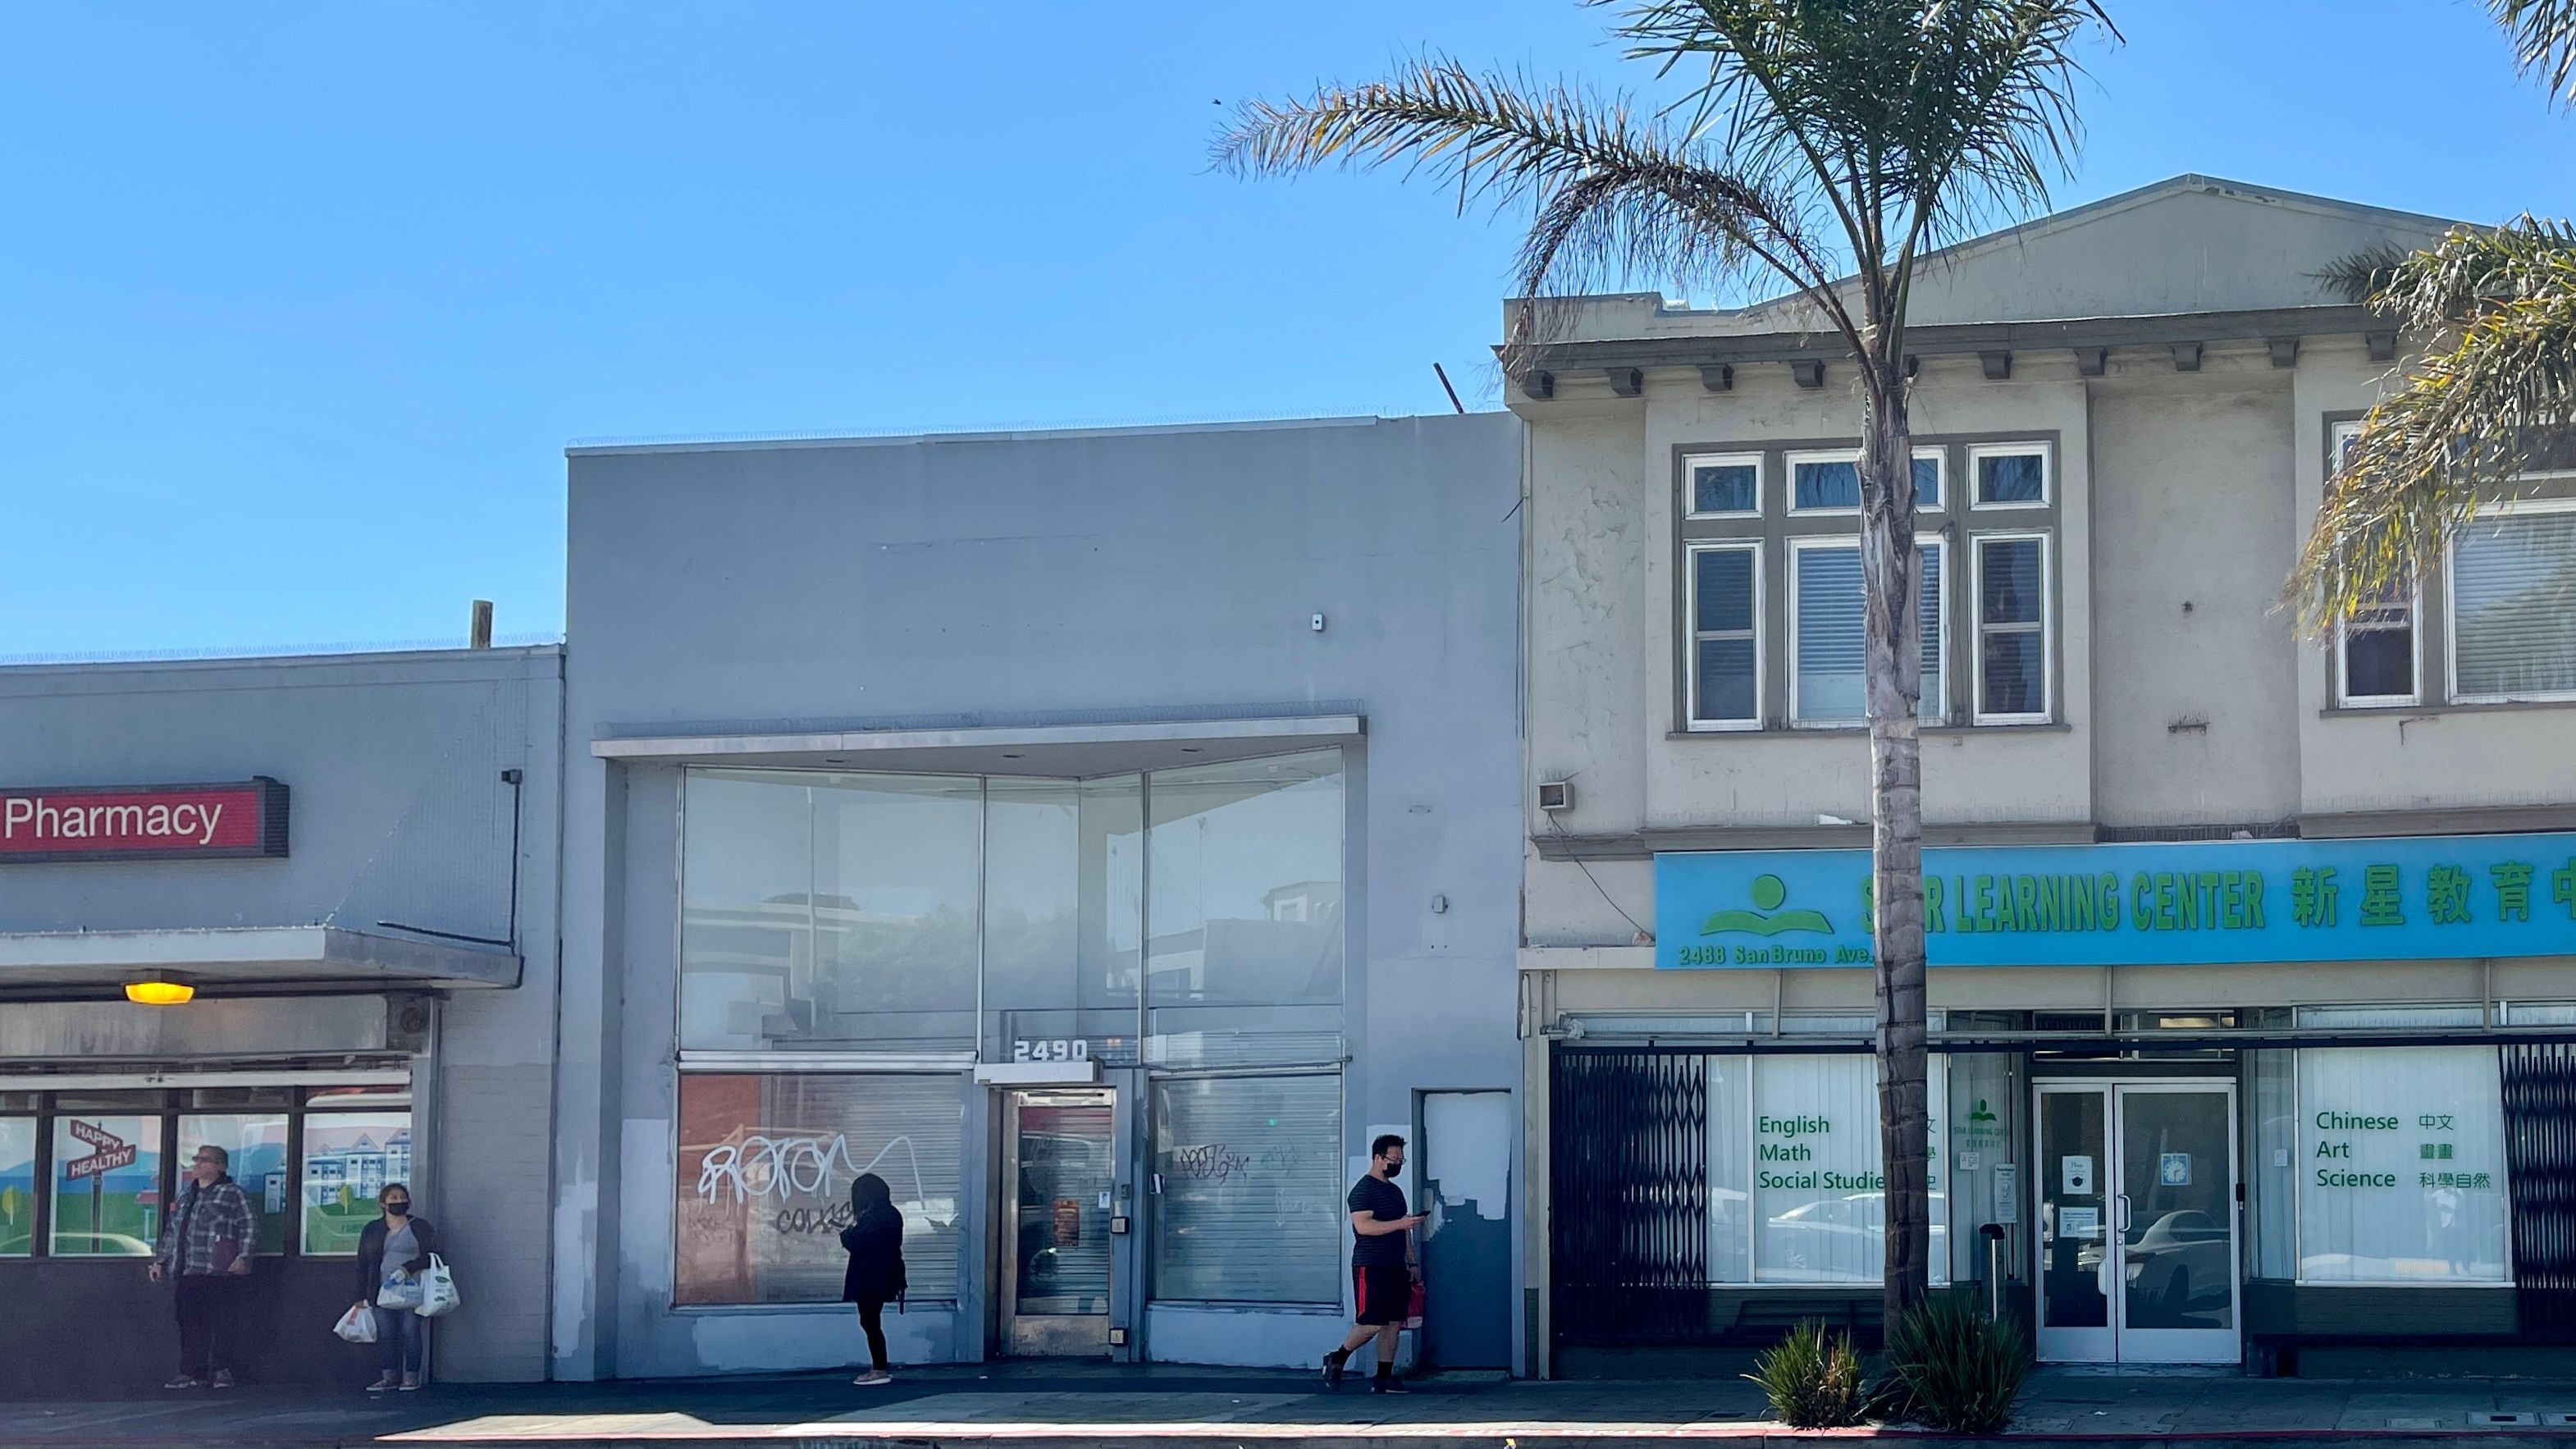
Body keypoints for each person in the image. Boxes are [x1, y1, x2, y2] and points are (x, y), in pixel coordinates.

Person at [151, 1143, 258, 1390]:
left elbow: (250, 1226)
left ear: (220, 1167)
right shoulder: (185, 1196)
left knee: (223, 1324)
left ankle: (222, 1370)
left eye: (205, 1160)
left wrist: (244, 1257)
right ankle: (191, 1372)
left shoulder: (233, 1194)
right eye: (196, 1159)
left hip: (220, 1271)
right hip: (188, 1270)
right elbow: (172, 1231)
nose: (197, 1164)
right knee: (189, 1323)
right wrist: (160, 1261)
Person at [1322, 1134, 1423, 1394]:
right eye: (1394, 1159)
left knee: (1392, 1323)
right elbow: (1364, 1226)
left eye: (1402, 1159)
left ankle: (1384, 1377)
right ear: (1378, 1158)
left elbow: (1405, 1230)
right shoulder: (1363, 1190)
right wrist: (1401, 1224)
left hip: (1396, 1265)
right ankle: (1338, 1357)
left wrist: (1411, 1261)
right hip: (1371, 1265)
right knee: (1371, 1322)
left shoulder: (1395, 1192)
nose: (1398, 1164)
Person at [352, 1185, 439, 1392]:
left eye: (402, 1197)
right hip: (381, 1290)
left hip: (412, 1289)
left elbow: (434, 1255)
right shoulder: (372, 1229)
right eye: (393, 1197)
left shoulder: (420, 1227)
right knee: (386, 1333)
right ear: (383, 1203)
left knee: (410, 1331)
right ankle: (388, 1376)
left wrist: (409, 1268)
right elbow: (363, 1262)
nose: (398, 1201)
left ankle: (411, 1377)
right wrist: (360, 1295)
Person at [839, 1172, 907, 1386]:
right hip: (882, 1274)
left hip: (872, 1276)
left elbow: (858, 1243)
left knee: (870, 1321)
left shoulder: (878, 1216)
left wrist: (846, 1232)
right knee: (870, 1320)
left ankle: (879, 1369)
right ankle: (879, 1367)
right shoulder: (890, 1213)